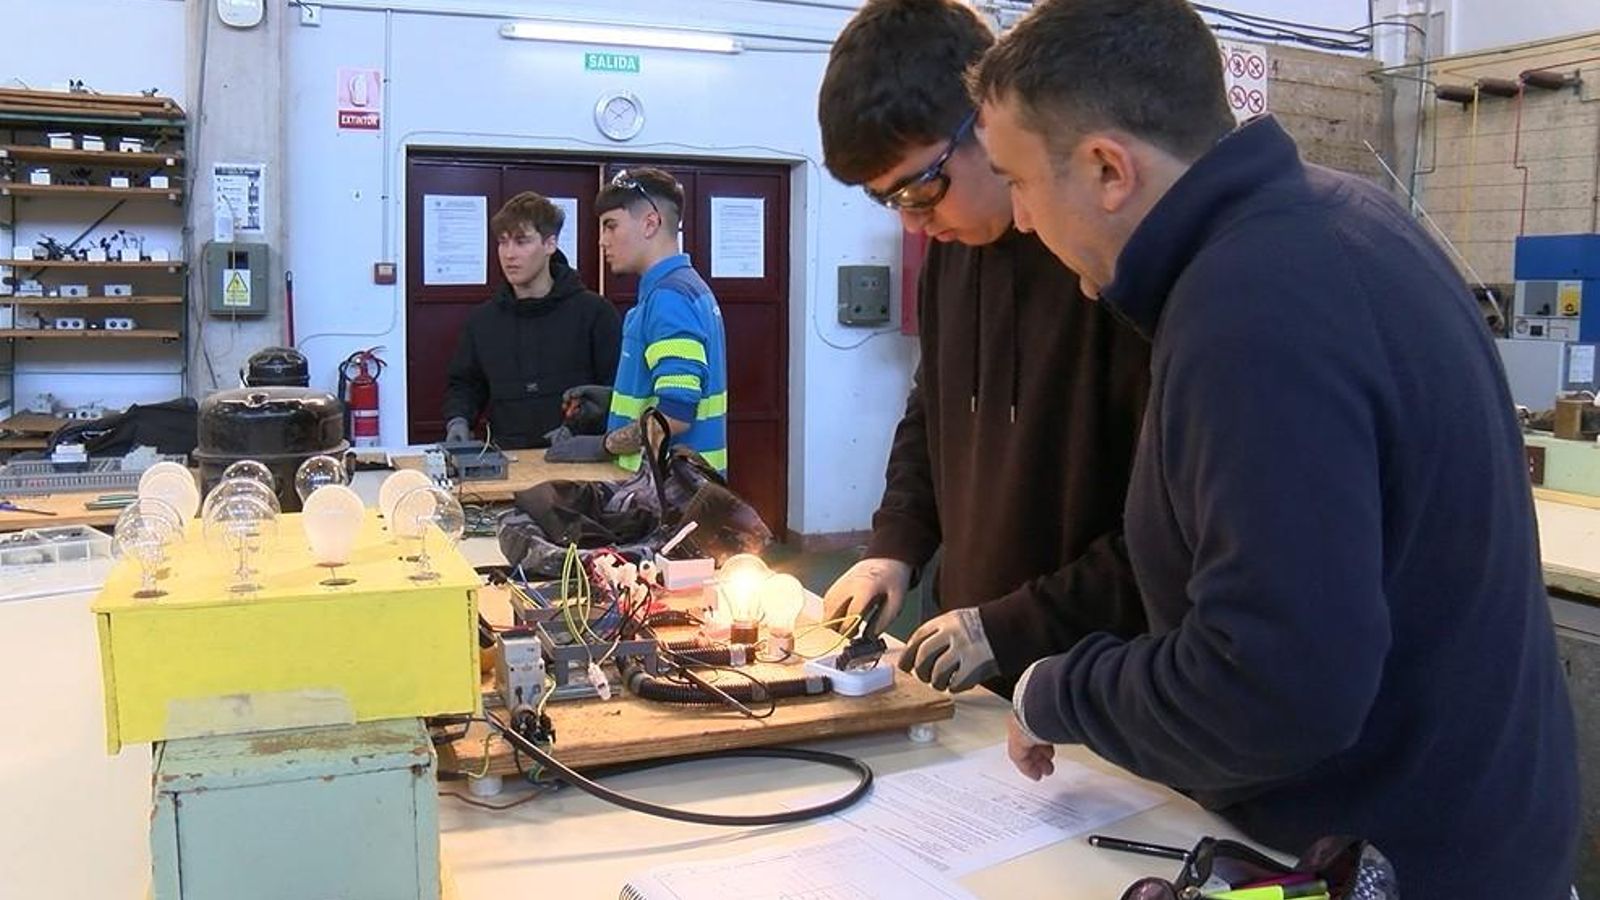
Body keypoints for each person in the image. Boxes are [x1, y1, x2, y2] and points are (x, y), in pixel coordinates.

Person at [969, 0, 1579, 894]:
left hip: (1402, 862)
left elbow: (1274, 685)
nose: (1020, 220)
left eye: (1019, 182)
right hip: (1476, 836)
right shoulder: (1337, 220)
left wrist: (1061, 692)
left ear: (1106, 168)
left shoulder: (1248, 309)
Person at [816, 0, 1151, 694]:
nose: (916, 224)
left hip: (1091, 682)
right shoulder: (951, 254)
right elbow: (931, 408)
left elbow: (1162, 531)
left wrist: (1012, 627)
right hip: (971, 669)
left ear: (990, 119)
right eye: (891, 202)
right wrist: (897, 546)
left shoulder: (1104, 265)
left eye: (923, 189)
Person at [441, 191, 620, 449]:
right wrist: (457, 420)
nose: (509, 254)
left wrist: (579, 427)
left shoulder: (595, 313)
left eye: (521, 241)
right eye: (503, 242)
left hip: (580, 463)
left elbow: (616, 389)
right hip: (509, 461)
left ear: (550, 244)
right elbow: (465, 385)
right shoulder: (483, 321)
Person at [594, 167, 730, 474]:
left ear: (650, 223)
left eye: (610, 226)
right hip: (681, 490)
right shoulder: (686, 289)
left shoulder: (670, 298)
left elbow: (676, 413)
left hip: (668, 494)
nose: (603, 240)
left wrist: (606, 444)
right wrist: (610, 400)